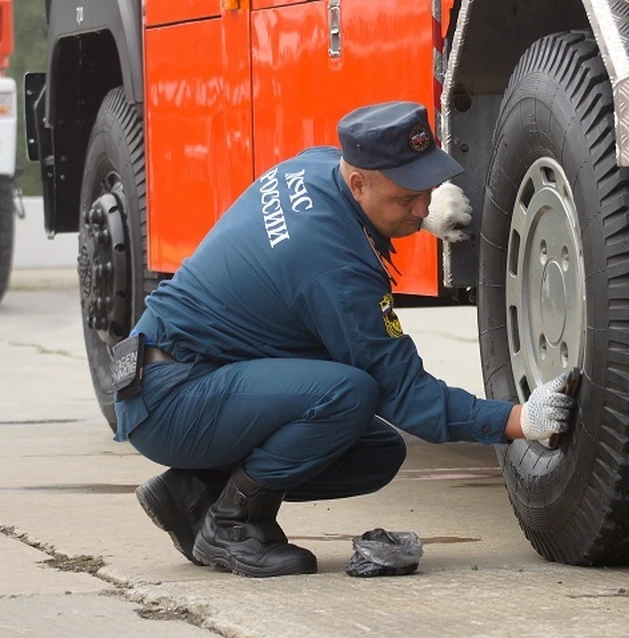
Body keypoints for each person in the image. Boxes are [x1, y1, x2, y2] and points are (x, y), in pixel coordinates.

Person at [115, 101, 577, 579]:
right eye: (407, 198)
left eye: (427, 189)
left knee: (374, 451)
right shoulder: (334, 266)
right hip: (170, 397)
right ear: (359, 183)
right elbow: (404, 393)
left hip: (171, 371)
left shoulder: (315, 167)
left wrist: (413, 213)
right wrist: (518, 419)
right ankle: (231, 524)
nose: (421, 207)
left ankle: (192, 491)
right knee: (348, 394)